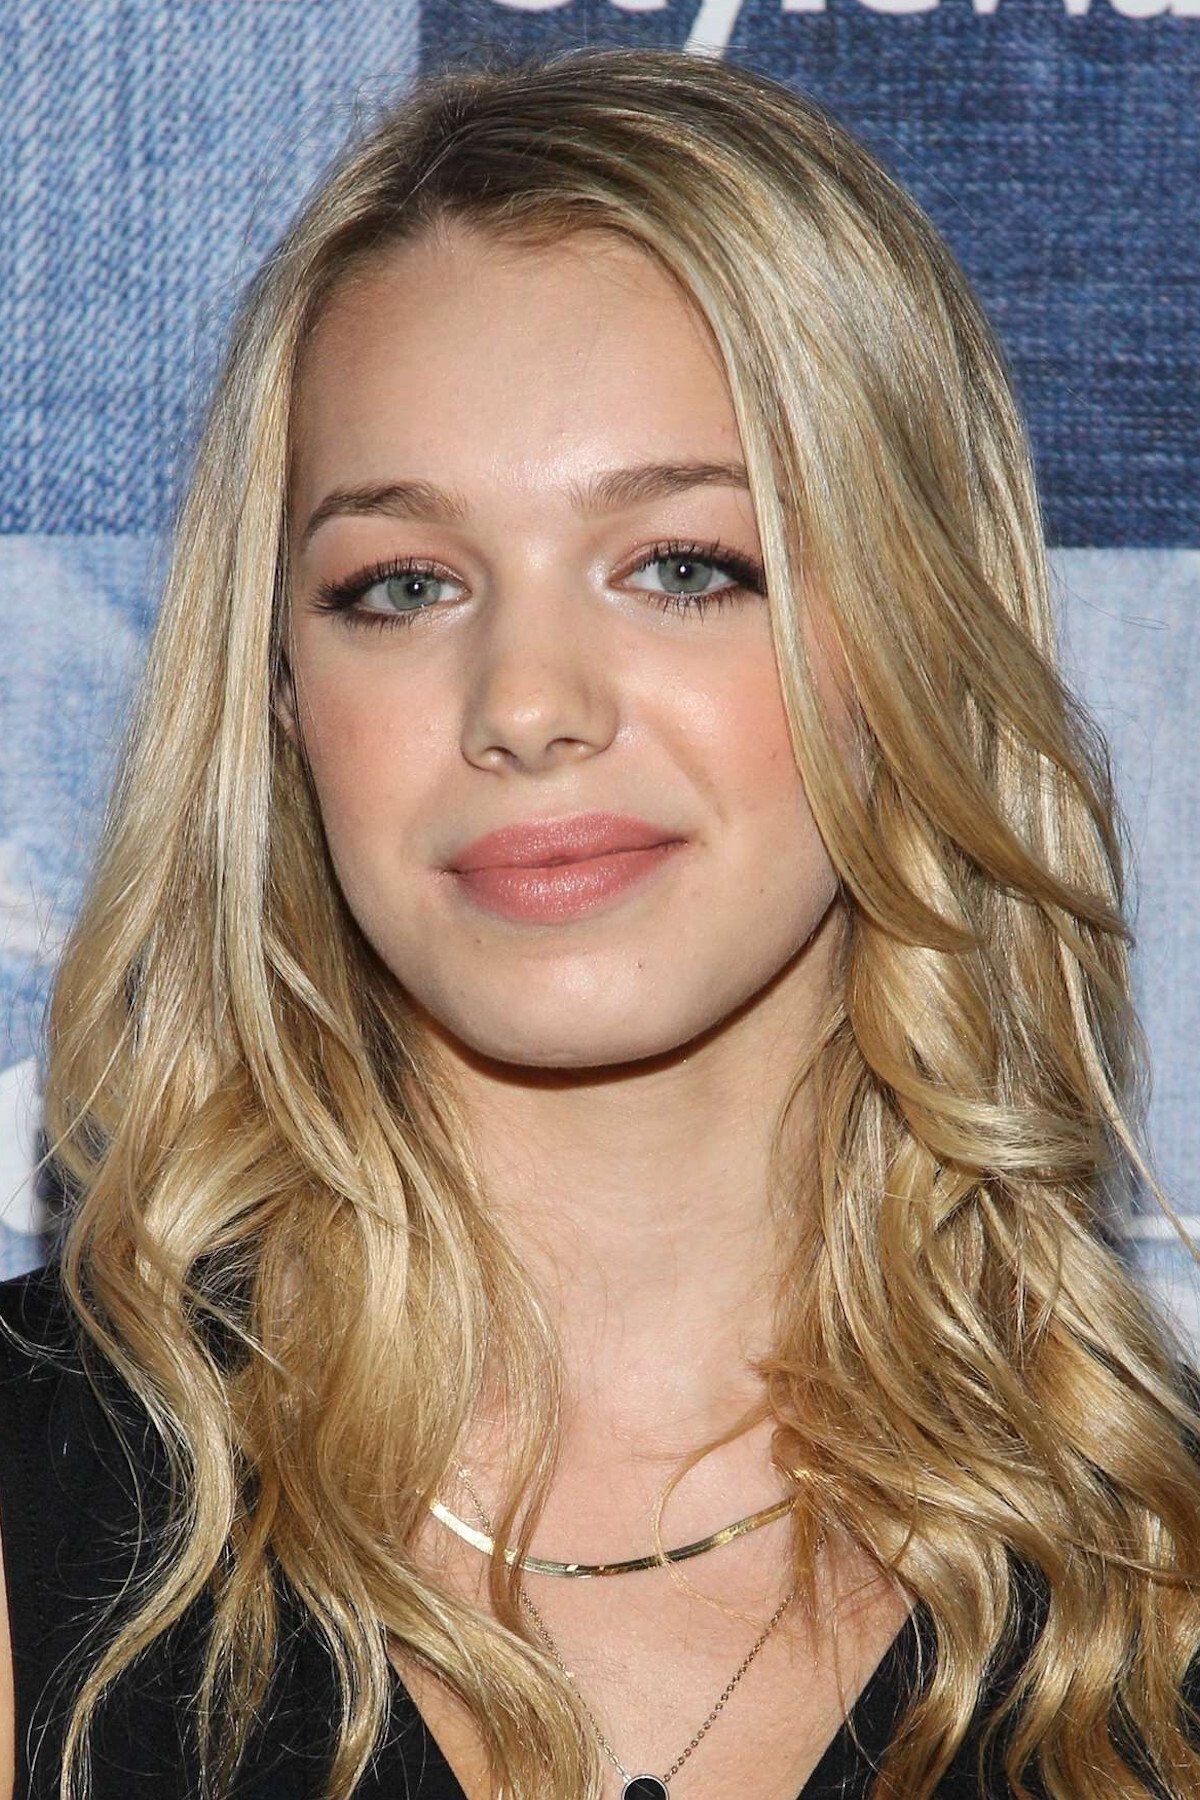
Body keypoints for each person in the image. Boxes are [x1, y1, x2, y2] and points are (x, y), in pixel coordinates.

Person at [0, 41, 1198, 1800]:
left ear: (914, 636)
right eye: (402, 586)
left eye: (683, 567)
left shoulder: (1157, 1584)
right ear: (280, 697)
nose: (527, 703)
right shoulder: (35, 1520)